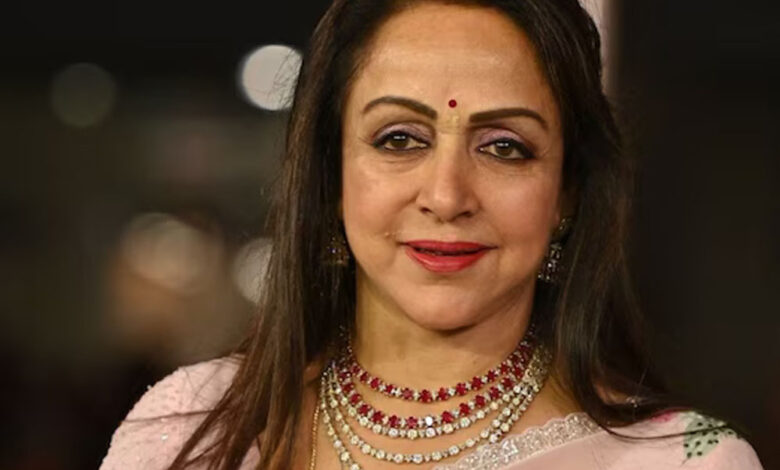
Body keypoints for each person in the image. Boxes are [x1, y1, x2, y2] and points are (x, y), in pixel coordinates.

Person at [101, 0, 764, 469]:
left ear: (566, 194)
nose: (446, 196)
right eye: (400, 139)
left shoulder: (683, 461)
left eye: (504, 147)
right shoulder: (192, 429)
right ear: (332, 176)